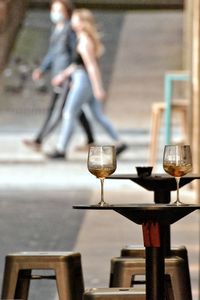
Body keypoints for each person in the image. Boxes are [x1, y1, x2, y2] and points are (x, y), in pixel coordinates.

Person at [47, 8, 127, 159]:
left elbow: (91, 66)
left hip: (83, 81)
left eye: (76, 19)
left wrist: (98, 88)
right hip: (82, 78)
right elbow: (78, 64)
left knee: (69, 112)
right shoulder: (81, 38)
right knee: (97, 115)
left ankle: (61, 148)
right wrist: (63, 75)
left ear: (82, 23)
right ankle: (119, 141)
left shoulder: (84, 41)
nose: (72, 21)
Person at [23, 0, 95, 151]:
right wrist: (42, 68)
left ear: (66, 11)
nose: (55, 14)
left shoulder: (70, 30)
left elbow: (75, 54)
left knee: (60, 110)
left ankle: (40, 140)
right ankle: (90, 140)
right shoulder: (56, 29)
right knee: (75, 109)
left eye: (59, 10)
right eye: (53, 10)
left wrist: (68, 74)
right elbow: (53, 53)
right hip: (58, 73)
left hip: (66, 75)